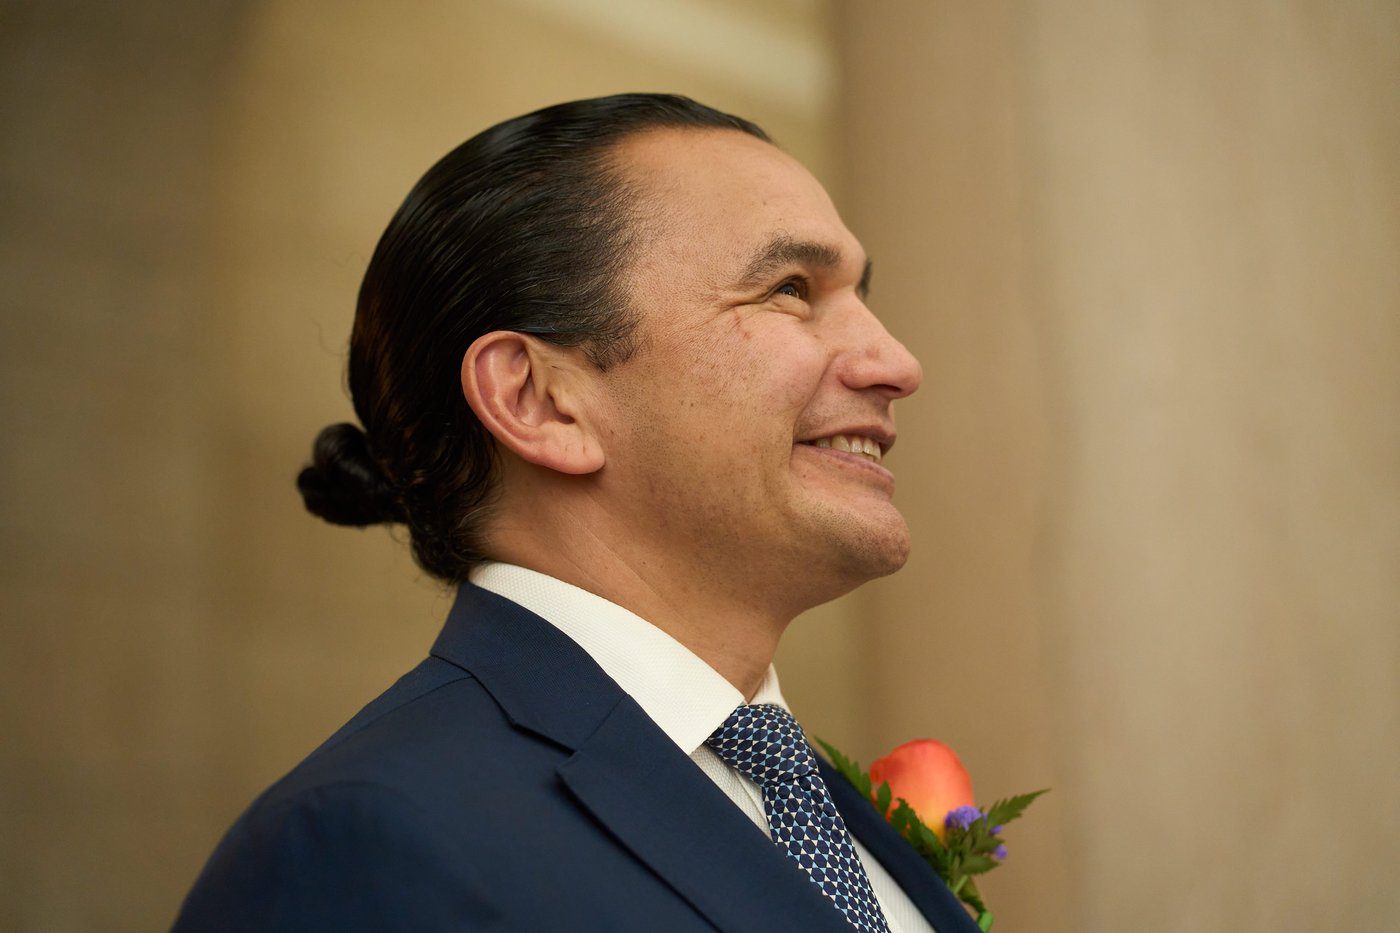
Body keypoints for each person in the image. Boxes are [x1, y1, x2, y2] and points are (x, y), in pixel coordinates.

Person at [175, 93, 977, 933]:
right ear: (539, 400)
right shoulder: (362, 844)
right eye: (789, 289)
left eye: (859, 295)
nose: (897, 362)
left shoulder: (814, 804)